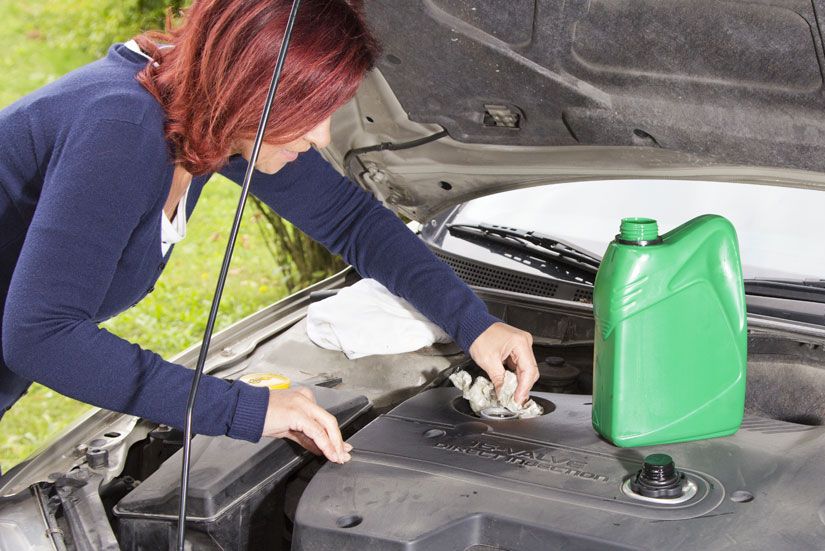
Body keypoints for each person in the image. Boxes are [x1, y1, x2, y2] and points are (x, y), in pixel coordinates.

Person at [0, 0, 538, 466]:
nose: (322, 133)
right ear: (243, 85)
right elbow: (42, 334)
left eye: (330, 110)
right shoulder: (120, 129)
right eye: (306, 109)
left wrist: (473, 322)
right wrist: (247, 409)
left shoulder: (199, 110)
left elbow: (352, 221)